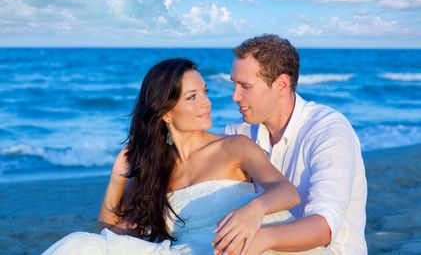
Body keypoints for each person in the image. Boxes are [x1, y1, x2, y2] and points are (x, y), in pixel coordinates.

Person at [43, 58, 327, 255]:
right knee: (80, 244)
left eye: (204, 92)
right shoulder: (157, 170)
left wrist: (254, 209)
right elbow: (111, 236)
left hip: (226, 251)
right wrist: (117, 178)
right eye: (192, 97)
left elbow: (286, 191)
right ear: (166, 112)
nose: (207, 103)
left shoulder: (234, 147)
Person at [215, 35, 367, 255]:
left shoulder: (328, 131)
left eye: (245, 86)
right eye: (234, 84)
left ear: (281, 85)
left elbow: (324, 228)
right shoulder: (238, 132)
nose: (234, 96)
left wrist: (258, 225)